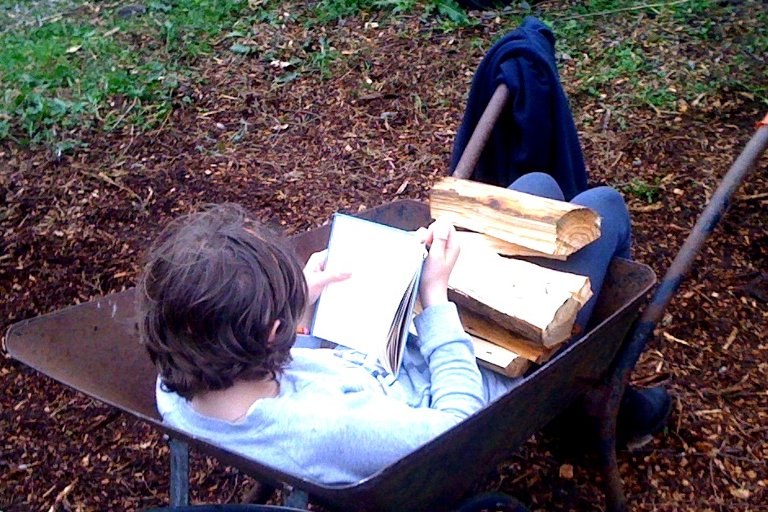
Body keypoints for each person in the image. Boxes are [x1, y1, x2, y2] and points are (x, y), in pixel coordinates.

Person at [138, 174, 668, 486]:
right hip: (475, 376)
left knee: (538, 190)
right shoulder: (334, 430)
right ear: (270, 332)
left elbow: (290, 370)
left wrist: (301, 308)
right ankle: (593, 399)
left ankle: (589, 396)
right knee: (602, 209)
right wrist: (434, 300)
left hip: (389, 354)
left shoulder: (182, 380)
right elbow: (458, 432)